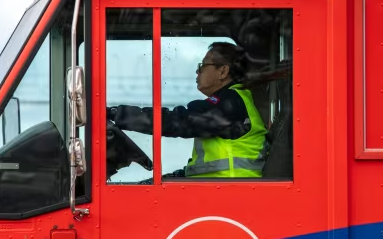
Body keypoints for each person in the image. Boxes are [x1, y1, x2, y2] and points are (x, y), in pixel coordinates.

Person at [106, 41, 268, 178]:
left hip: (228, 193)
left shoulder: (229, 104)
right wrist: (177, 176)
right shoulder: (234, 101)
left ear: (223, 71)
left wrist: (117, 114)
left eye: (203, 66)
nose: (197, 71)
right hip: (219, 187)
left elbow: (178, 121)